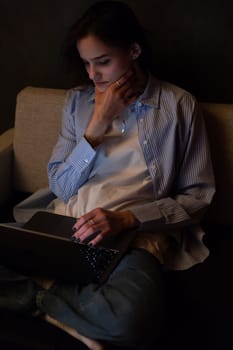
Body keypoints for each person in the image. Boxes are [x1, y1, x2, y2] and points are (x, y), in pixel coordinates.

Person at [1, 1, 215, 350]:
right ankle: (57, 310)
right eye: (86, 64)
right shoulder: (76, 103)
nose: (93, 75)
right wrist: (96, 125)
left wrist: (127, 219)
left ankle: (41, 297)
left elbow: (197, 198)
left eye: (103, 62)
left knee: (131, 319)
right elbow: (61, 185)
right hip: (63, 226)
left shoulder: (179, 106)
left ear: (133, 51)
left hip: (133, 238)